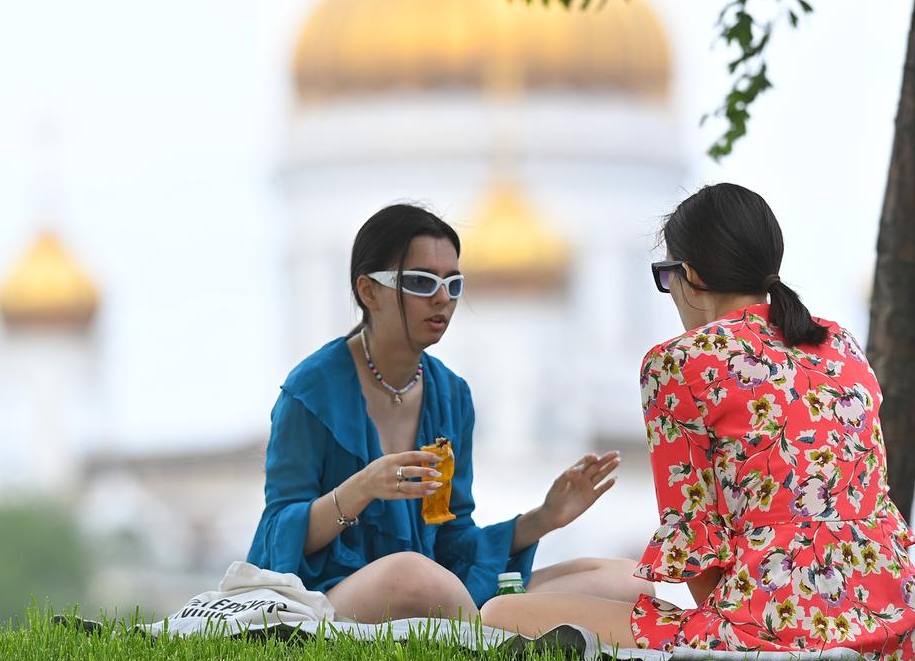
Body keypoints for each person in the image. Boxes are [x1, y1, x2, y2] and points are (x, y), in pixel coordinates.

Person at [481, 184, 915, 661]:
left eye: (667, 276)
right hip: (896, 631)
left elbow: (696, 548)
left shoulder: (679, 361)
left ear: (689, 274)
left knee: (501, 614)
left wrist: (726, 625)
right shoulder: (839, 344)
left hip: (776, 637)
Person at [247, 203, 653, 622]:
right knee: (411, 573)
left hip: (439, 587)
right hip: (330, 594)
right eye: (422, 282)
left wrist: (544, 518)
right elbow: (280, 535)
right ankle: (497, 630)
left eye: (453, 283)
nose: (442, 298)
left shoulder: (451, 395)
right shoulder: (310, 392)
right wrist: (363, 487)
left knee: (627, 582)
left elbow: (453, 539)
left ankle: (497, 621)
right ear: (369, 291)